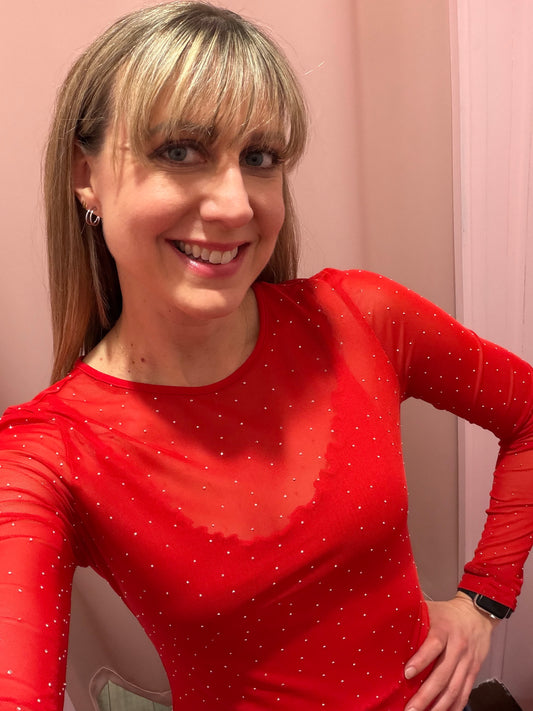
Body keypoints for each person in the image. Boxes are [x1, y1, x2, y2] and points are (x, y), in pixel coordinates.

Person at [0, 2, 532, 710]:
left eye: (259, 158)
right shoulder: (49, 457)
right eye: (179, 150)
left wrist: (484, 597)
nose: (234, 205)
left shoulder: (360, 318)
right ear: (84, 172)